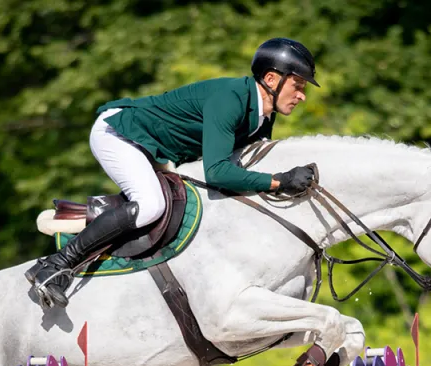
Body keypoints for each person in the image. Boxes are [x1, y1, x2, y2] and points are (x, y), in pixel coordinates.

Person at [24, 38, 321, 308]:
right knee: (152, 205)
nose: (302, 96)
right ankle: (54, 267)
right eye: (298, 85)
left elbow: (244, 165)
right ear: (271, 79)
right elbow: (217, 172)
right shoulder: (231, 99)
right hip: (121, 134)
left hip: (153, 148)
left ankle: (91, 212)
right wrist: (278, 181)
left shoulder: (260, 117)